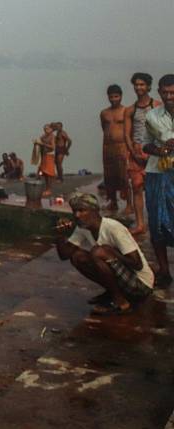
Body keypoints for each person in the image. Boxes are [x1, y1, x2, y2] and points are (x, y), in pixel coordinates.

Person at [55, 193, 153, 314]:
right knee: (77, 257)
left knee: (98, 252)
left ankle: (121, 303)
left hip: (141, 285)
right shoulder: (82, 228)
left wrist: (112, 253)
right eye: (75, 211)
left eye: (82, 210)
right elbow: (65, 255)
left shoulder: (113, 228)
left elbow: (137, 264)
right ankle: (113, 293)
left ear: (94, 211)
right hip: (124, 278)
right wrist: (60, 234)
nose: (77, 215)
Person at [141, 73, 174, 288]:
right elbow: (145, 145)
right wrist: (160, 149)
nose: (169, 96)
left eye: (173, 92)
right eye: (165, 92)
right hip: (158, 174)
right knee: (157, 223)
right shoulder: (152, 116)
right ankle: (164, 270)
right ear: (159, 93)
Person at [124, 72, 161, 236]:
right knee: (137, 187)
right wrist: (134, 152)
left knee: (157, 188)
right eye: (136, 84)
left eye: (142, 84)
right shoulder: (130, 110)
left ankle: (159, 223)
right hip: (136, 152)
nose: (139, 87)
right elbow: (127, 134)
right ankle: (140, 224)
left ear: (148, 86)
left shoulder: (157, 106)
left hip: (154, 151)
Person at [99, 85, 128, 212]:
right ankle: (113, 202)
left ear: (121, 96)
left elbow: (129, 130)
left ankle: (129, 204)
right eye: (111, 97)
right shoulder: (104, 113)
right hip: (107, 146)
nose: (113, 99)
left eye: (116, 96)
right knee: (109, 176)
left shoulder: (126, 111)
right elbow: (103, 127)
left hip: (121, 145)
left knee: (124, 175)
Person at [33, 124, 57, 197]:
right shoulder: (43, 136)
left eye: (47, 129)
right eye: (44, 129)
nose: (46, 130)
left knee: (49, 173)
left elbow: (53, 147)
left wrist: (42, 144)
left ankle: (49, 189)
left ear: (51, 129)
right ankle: (46, 189)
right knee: (44, 173)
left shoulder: (52, 136)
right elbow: (40, 142)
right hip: (44, 155)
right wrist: (36, 143)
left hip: (49, 155)